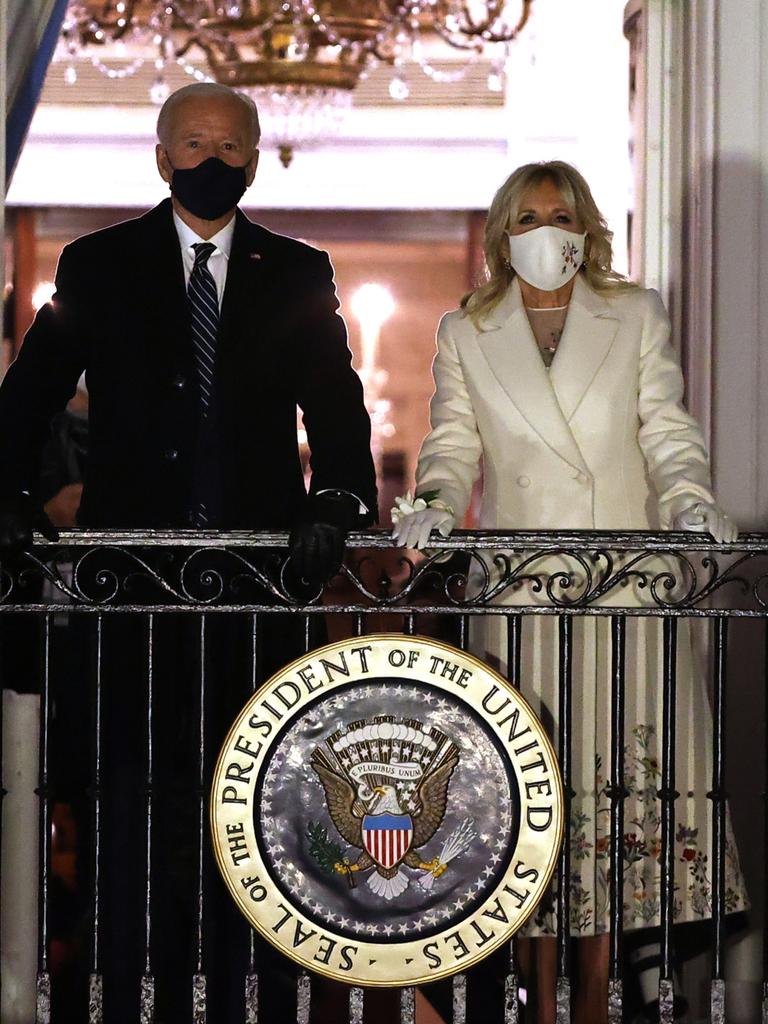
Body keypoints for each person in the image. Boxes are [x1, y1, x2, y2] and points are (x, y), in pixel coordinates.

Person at [0, 83, 377, 1024]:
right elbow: (33, 387)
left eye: (232, 144)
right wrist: (6, 495)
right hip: (131, 590)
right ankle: (131, 994)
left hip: (259, 588)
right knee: (130, 801)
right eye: (194, 142)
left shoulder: (297, 271)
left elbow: (334, 399)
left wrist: (337, 497)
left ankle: (259, 995)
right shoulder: (100, 265)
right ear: (162, 157)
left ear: (254, 158)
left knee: (263, 799)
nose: (214, 158)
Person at [391, 161, 747, 1024]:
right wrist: (434, 506)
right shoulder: (466, 329)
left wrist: (692, 501)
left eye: (559, 212)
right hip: (520, 601)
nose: (546, 229)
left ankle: (594, 990)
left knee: (616, 793)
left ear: (585, 223)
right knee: (530, 795)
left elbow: (666, 429)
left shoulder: (634, 313)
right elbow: (453, 443)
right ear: (501, 232)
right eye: (526, 215)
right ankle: (534, 994)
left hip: (624, 589)